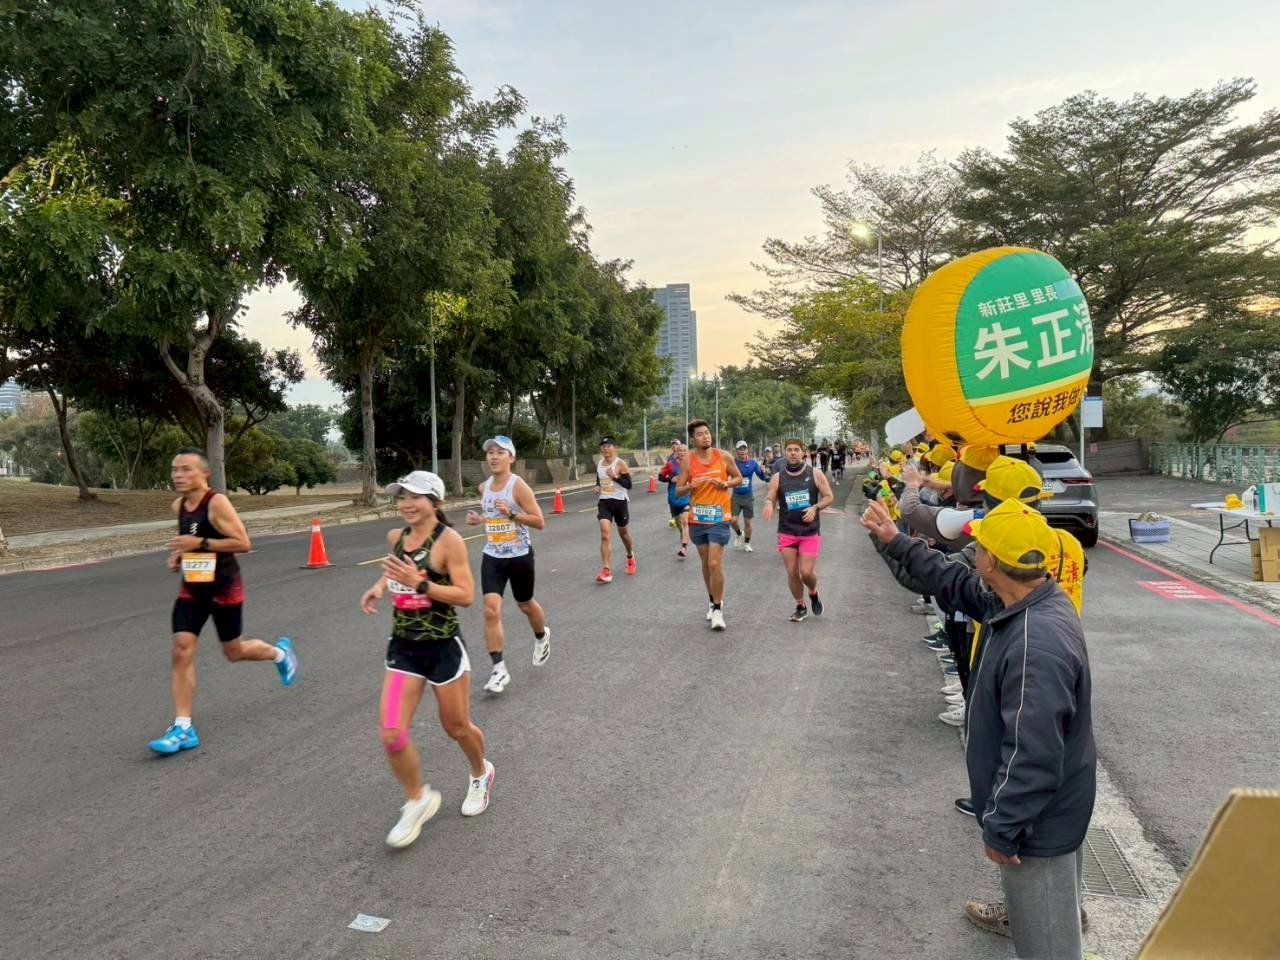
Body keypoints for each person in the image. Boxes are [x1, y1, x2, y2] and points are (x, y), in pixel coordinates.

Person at [860, 497, 1095, 958]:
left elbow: (1033, 752)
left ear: (993, 561)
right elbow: (956, 582)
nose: (973, 554)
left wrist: (1004, 828)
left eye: (979, 546)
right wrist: (894, 540)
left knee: (1048, 944)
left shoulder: (1035, 644)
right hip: (1045, 811)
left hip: (1038, 826)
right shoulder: (1025, 598)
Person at [361, 470, 493, 848]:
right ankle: (418, 799)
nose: (405, 504)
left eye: (414, 496)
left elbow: (466, 595)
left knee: (456, 727)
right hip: (403, 647)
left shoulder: (448, 541)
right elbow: (396, 571)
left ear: (434, 501)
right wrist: (377, 586)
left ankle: (480, 772)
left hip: (442, 647)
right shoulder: (396, 537)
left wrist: (421, 584)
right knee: (391, 731)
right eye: (400, 497)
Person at [147, 448, 298, 756]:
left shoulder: (217, 503)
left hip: (224, 588)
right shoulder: (180, 505)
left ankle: (279, 654)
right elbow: (188, 540)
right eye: (175, 469)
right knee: (181, 650)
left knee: (234, 651)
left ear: (204, 473)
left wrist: (199, 544)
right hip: (192, 589)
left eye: (186, 469)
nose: (178, 475)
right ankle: (183, 728)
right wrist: (179, 556)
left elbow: (243, 543)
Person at [464, 436, 550, 696]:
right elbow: (493, 516)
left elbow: (539, 521)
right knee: (491, 610)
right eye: (490, 452)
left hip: (519, 555)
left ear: (511, 458)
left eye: (500, 452)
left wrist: (512, 514)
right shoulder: (484, 487)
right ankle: (498, 668)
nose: (493, 456)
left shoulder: (518, 486)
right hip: (493, 556)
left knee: (525, 604)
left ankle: (541, 636)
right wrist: (480, 520)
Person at [677, 419, 743, 630]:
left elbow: (738, 478)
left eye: (707, 433)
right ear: (693, 439)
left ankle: (717, 610)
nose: (705, 436)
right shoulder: (688, 460)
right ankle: (712, 599)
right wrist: (689, 486)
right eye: (700, 434)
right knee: (706, 564)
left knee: (715, 563)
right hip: (698, 518)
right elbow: (678, 489)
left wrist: (725, 483)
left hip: (719, 517)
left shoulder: (723, 456)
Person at [762, 438, 834, 621]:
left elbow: (828, 497)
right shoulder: (778, 477)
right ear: (785, 453)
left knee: (807, 573)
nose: (793, 453)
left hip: (809, 532)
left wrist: (815, 508)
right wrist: (769, 504)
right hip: (787, 531)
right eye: (789, 450)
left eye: (796, 450)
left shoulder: (815, 473)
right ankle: (801, 605)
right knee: (792, 572)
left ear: (803, 453)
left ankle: (813, 592)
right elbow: (770, 496)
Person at [594, 436, 636, 583]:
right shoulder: (599, 464)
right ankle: (606, 570)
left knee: (624, 534)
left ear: (614, 447)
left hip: (620, 503)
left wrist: (615, 478)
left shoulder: (620, 464)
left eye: (608, 446)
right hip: (604, 502)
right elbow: (599, 477)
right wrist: (598, 485)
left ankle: (630, 555)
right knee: (605, 534)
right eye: (603, 446)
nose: (605, 448)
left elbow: (629, 484)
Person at [728, 440, 768, 551]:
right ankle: (739, 533)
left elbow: (763, 477)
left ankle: (747, 543)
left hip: (748, 496)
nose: (742, 451)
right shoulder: (732, 462)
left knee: (747, 522)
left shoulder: (753, 463)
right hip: (736, 496)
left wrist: (764, 471)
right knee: (733, 520)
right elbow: (724, 474)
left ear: (747, 450)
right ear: (736, 451)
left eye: (744, 448)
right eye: (740, 449)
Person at [659, 441, 691, 558]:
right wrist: (671, 478)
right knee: (678, 522)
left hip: (687, 497)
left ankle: (684, 548)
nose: (682, 452)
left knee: (685, 521)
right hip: (673, 498)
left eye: (684, 451)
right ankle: (683, 534)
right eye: (680, 451)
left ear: (687, 452)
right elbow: (661, 477)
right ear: (676, 452)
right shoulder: (671, 464)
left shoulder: (692, 464)